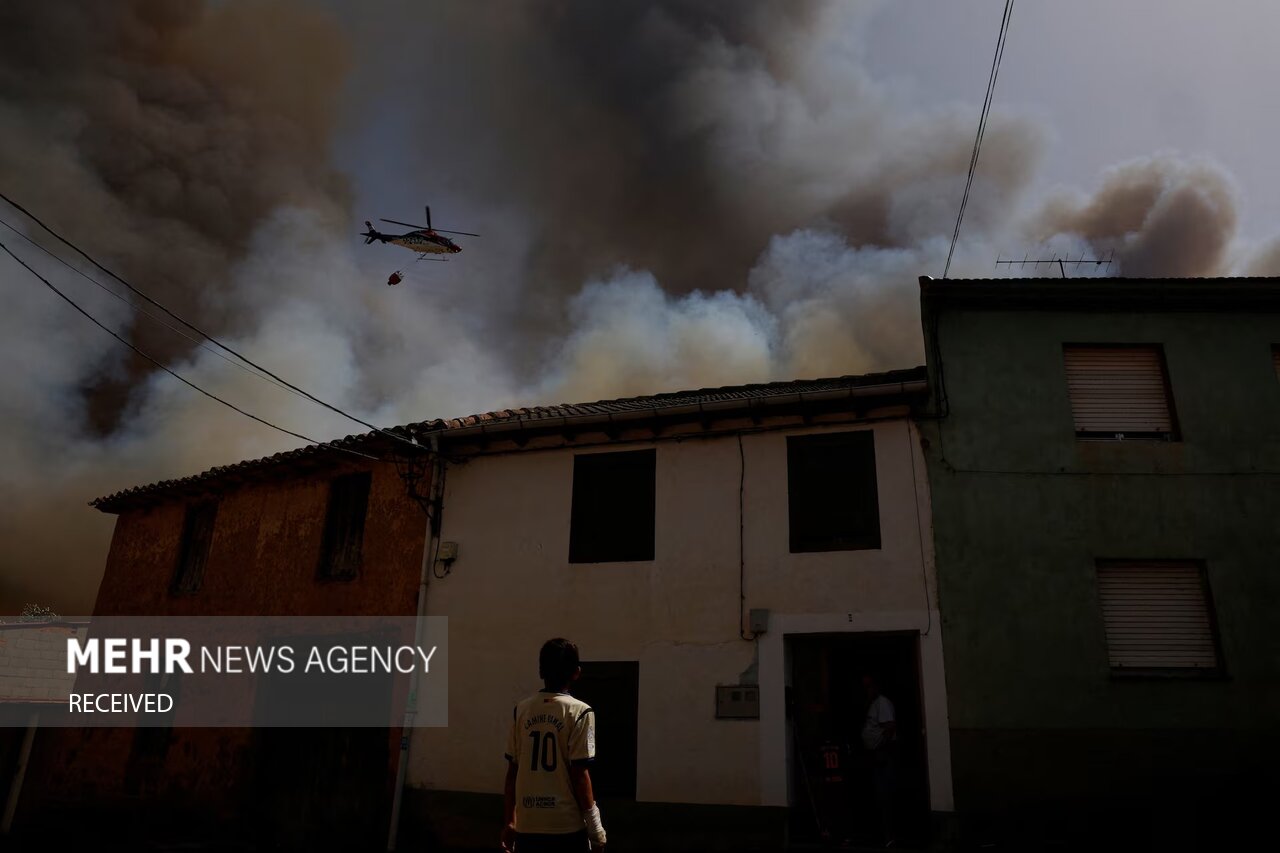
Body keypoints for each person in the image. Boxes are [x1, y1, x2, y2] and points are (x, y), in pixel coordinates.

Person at [502, 638, 607, 852]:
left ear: (541, 671)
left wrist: (510, 821)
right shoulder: (580, 712)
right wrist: (596, 828)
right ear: (576, 672)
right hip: (565, 827)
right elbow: (579, 774)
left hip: (528, 825)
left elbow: (512, 772)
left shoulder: (521, 710)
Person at [860, 674, 897, 847]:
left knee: (884, 796)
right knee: (878, 795)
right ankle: (882, 835)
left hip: (883, 756)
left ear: (875, 687)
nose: (866, 691)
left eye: (868, 687)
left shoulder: (882, 703)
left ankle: (888, 836)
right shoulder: (873, 704)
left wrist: (881, 749)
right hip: (876, 755)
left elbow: (889, 728)